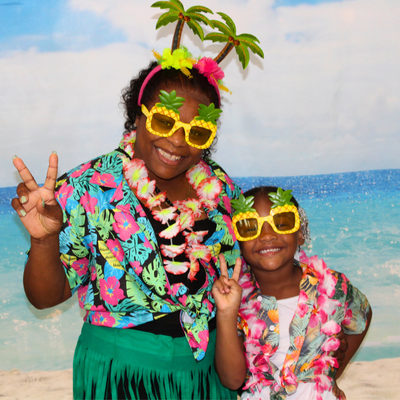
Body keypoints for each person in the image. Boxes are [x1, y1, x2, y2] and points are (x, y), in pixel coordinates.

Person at [10, 3, 265, 399]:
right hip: (123, 374)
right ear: (139, 114)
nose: (177, 141)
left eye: (197, 132)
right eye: (164, 120)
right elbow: (45, 298)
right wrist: (44, 240)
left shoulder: (219, 188)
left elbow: (247, 275)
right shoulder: (87, 186)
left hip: (206, 376)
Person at [212, 186, 372, 400]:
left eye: (281, 223)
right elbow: (232, 380)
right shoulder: (235, 299)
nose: (267, 235)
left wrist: (331, 373)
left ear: (300, 234)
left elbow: (362, 316)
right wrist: (226, 313)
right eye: (250, 227)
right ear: (238, 242)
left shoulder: (332, 286)